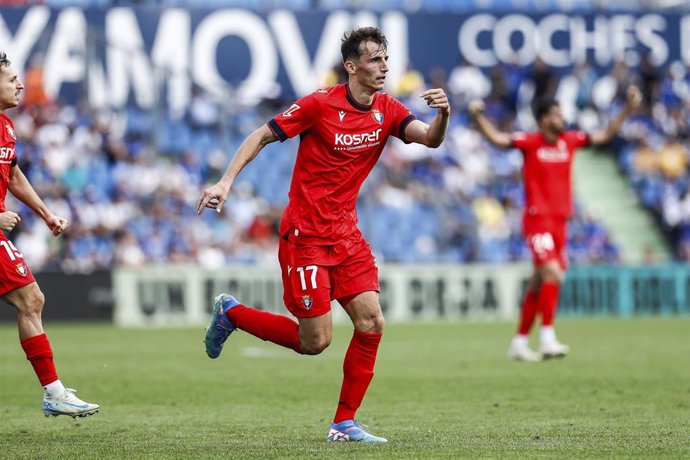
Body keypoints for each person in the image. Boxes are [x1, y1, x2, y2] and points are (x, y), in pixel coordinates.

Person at [197, 27, 449, 442]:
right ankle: (231, 313)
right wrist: (225, 181)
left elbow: (429, 140)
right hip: (306, 235)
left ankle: (344, 423)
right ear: (351, 67)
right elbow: (262, 134)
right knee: (314, 342)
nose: (384, 66)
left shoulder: (387, 108)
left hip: (347, 235)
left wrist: (443, 115)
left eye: (385, 59)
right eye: (374, 60)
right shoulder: (319, 104)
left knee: (371, 322)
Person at [469, 86, 641, 362]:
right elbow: (499, 139)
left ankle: (519, 342)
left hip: (561, 222)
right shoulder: (530, 141)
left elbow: (606, 134)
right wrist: (477, 117)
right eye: (557, 114)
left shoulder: (570, 140)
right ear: (543, 119)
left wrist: (627, 110)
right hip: (538, 220)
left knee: (539, 283)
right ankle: (548, 337)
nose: (562, 118)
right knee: (553, 273)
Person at [0, 52, 99, 417]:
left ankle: (54, 392)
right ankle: (54, 393)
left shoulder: (6, 127)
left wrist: (45, 214)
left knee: (32, 301)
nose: (20, 85)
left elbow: (12, 175)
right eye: (11, 79)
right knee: (31, 301)